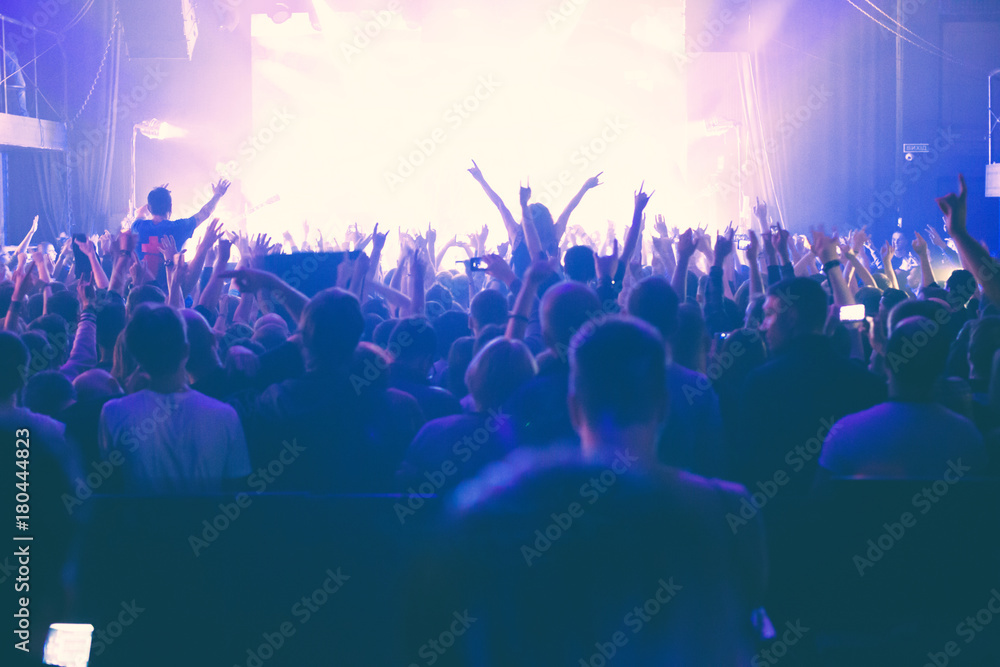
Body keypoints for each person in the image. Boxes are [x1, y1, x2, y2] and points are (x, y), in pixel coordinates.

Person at [406, 317, 766, 665]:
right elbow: (747, 619)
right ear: (663, 406)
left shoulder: (495, 508)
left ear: (574, 407)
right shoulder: (729, 509)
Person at [98, 305, 251, 494]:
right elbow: (237, 490)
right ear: (185, 351)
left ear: (136, 355)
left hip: (140, 524)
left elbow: (112, 486)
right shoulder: (225, 414)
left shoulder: (113, 412)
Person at [819, 316, 987, 479]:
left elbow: (818, 502)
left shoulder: (846, 433)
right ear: (942, 366)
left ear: (886, 365)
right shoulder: (968, 438)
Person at [131, 179, 231, 280]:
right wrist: (218, 194)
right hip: (169, 290)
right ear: (170, 206)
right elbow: (205, 213)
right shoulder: (178, 228)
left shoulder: (137, 227)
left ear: (149, 208)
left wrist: (157, 198)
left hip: (141, 290)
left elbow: (141, 212)